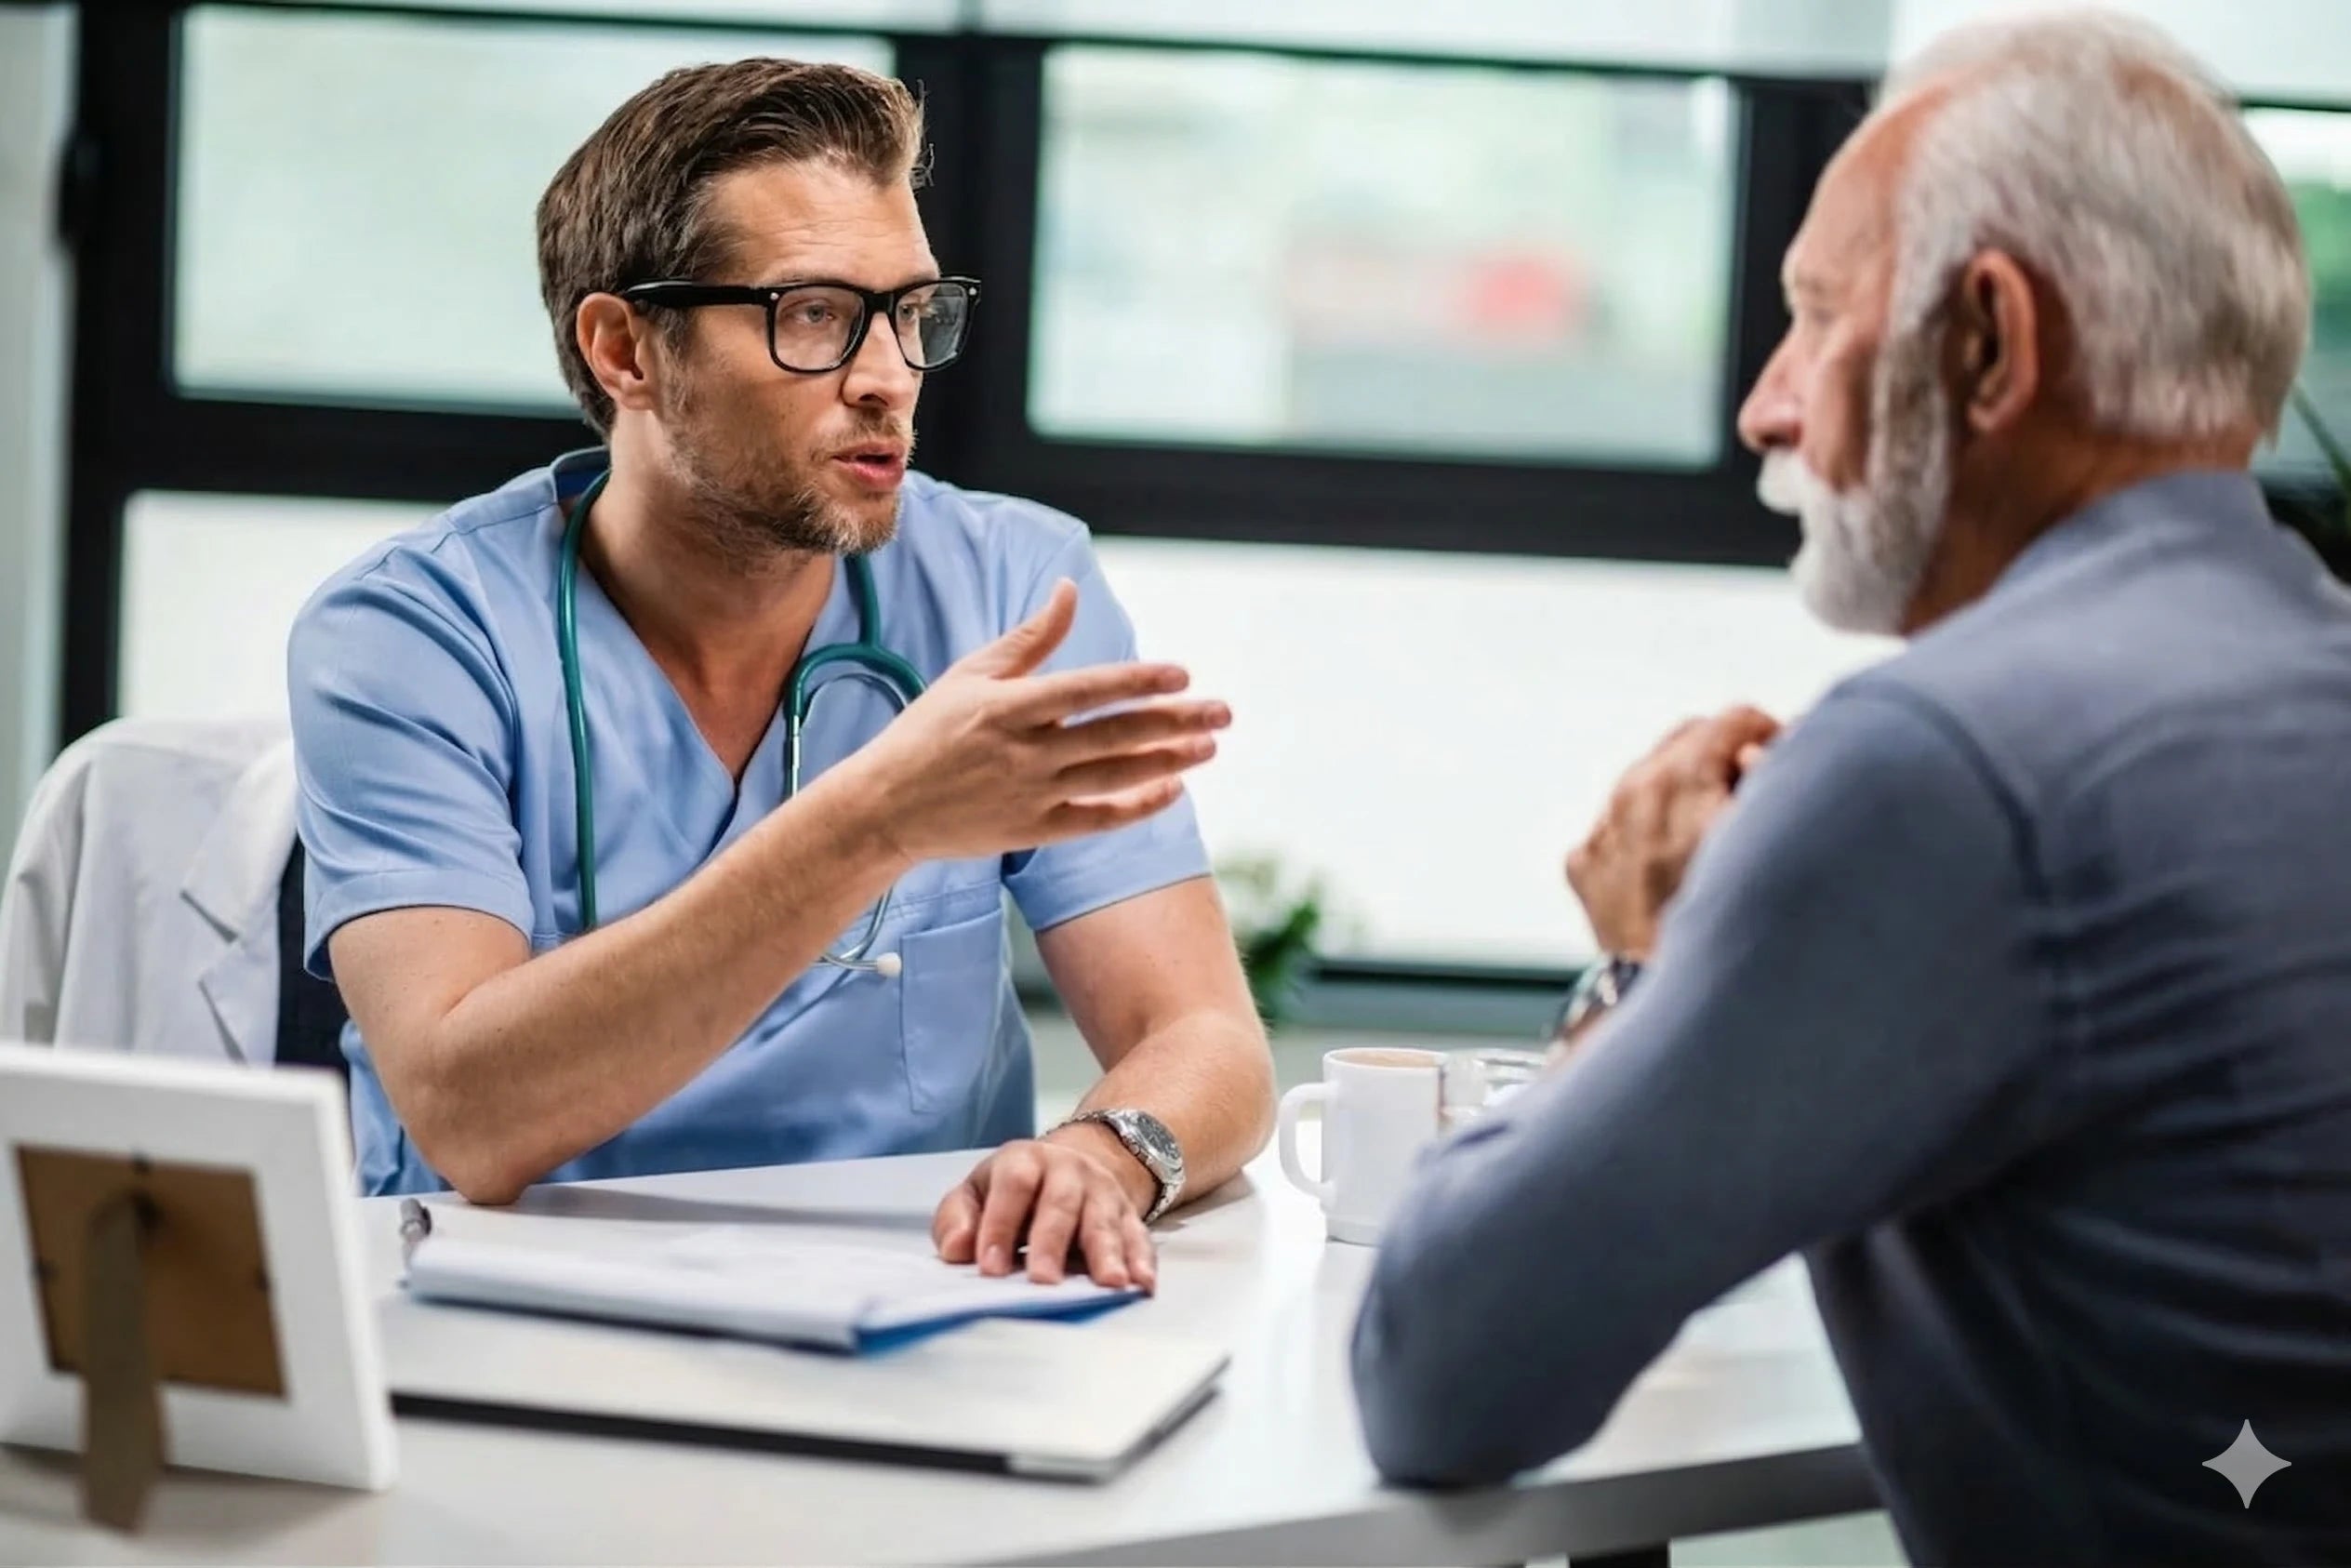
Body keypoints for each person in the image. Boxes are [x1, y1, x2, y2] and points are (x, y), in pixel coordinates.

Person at [1350, 12, 2351, 1562]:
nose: (1767, 406)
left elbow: (1438, 1371)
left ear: (1989, 340)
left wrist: (1642, 964)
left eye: (1816, 317)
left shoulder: (1939, 762)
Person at [288, 59, 1275, 1290]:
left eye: (912, 313)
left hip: (916, 1304)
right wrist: (879, 816)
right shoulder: (415, 635)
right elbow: (466, 1114)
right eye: (812, 314)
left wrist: (1109, 1150)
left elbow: (1202, 1034)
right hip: (508, 1313)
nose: (888, 376)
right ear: (623, 349)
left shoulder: (1015, 588)